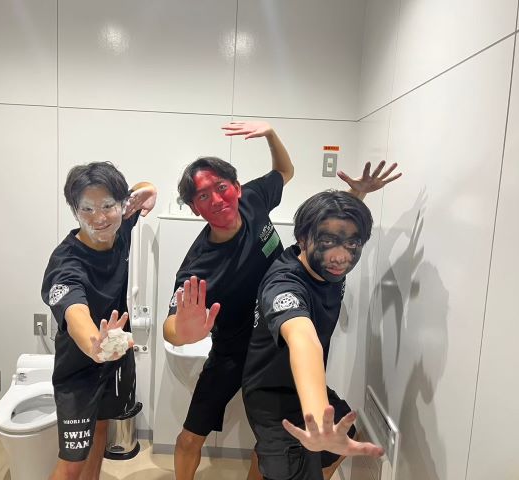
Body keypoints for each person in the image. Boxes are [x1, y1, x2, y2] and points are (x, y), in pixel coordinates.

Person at [163, 120, 400, 480]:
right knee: (191, 435)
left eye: (221, 187)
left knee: (271, 443)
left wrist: (271, 134)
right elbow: (171, 327)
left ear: (237, 188)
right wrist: (181, 332)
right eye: (203, 197)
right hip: (233, 351)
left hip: (274, 346)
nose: (217, 200)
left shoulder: (253, 201)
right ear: (195, 208)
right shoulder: (200, 265)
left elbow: (286, 173)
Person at [242, 190, 385, 480]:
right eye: (328, 241)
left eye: (352, 243)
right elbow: (303, 340)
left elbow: (340, 229)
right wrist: (319, 420)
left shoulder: (326, 264)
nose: (341, 256)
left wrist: (357, 195)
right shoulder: (284, 284)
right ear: (303, 239)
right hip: (272, 397)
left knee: (344, 432)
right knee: (290, 466)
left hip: (301, 389)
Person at [41, 161, 156, 480]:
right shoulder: (66, 263)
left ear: (122, 205)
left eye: (107, 206)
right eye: (87, 209)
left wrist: (150, 190)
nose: (99, 218)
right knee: (72, 463)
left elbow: (144, 190)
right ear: (75, 211)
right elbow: (74, 310)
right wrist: (95, 344)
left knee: (102, 429)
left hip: (115, 358)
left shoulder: (120, 227)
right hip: (79, 368)